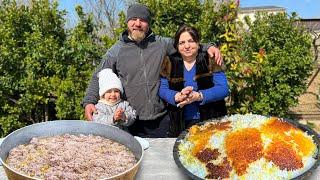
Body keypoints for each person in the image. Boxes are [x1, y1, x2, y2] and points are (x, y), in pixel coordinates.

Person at [82, 3, 223, 138]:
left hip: (161, 118)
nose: (137, 23)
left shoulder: (161, 44)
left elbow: (186, 45)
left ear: (148, 23)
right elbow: (98, 75)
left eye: (142, 20)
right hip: (131, 120)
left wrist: (208, 47)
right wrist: (89, 101)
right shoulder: (116, 51)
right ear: (127, 22)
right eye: (133, 19)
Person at [159, 25, 229, 137]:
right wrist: (176, 96)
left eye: (191, 41)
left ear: (198, 43)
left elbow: (224, 89)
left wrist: (199, 96)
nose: (186, 46)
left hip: (210, 120)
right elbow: (162, 89)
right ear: (177, 46)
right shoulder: (170, 62)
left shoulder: (211, 58)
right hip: (180, 123)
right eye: (182, 43)